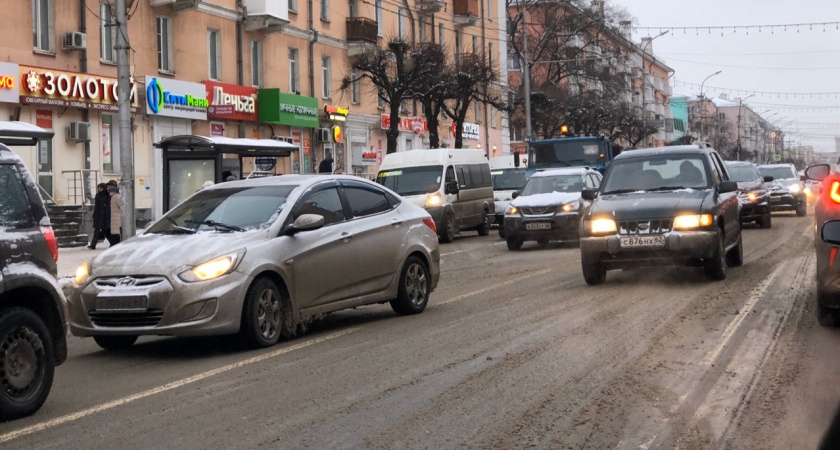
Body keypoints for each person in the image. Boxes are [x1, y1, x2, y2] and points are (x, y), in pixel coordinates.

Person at [87, 183, 110, 249]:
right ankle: (93, 245)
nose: (99, 189)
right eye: (98, 188)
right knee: (97, 230)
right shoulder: (98, 195)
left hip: (105, 215)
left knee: (106, 231)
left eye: (101, 188)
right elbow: (97, 206)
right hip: (98, 215)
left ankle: (112, 243)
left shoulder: (107, 195)